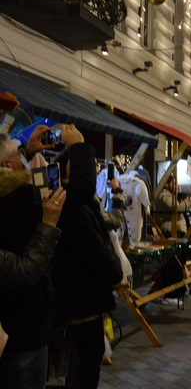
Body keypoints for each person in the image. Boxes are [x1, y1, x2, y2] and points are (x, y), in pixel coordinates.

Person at [49, 125, 128, 388]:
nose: (94, 168)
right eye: (89, 164)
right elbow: (95, 248)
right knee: (86, 363)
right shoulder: (72, 204)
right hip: (80, 298)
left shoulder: (76, 202)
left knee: (83, 361)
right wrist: (79, 145)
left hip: (80, 297)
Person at [0, 129, 67, 389]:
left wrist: (27, 150)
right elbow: (27, 270)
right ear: (8, 164)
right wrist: (49, 223)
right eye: (20, 156)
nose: (24, 160)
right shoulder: (25, 199)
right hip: (22, 328)